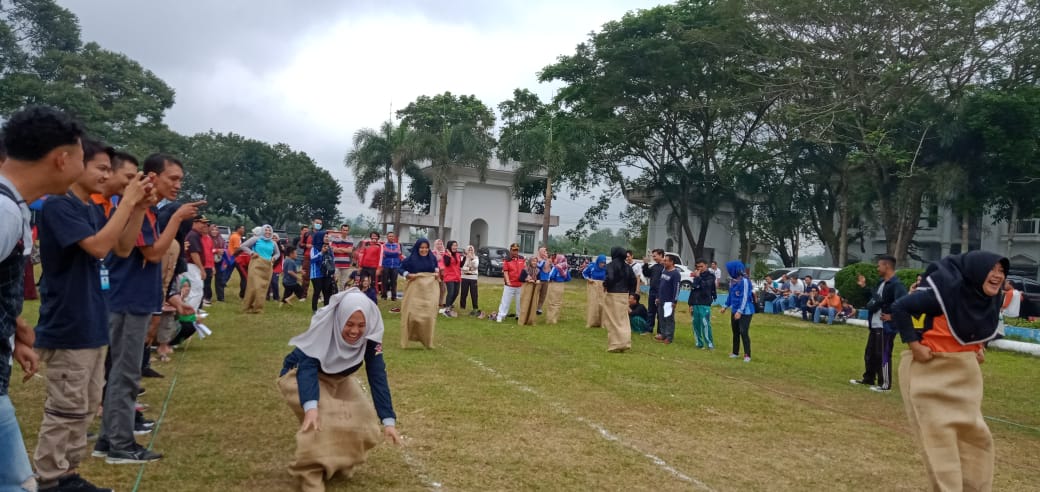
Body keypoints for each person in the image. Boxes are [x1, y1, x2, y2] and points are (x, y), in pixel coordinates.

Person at [33, 137, 152, 490]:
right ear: (74, 165)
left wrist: (139, 208)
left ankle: (67, 473)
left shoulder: (88, 208)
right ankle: (50, 478)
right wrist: (126, 201)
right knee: (65, 409)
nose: (107, 176)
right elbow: (99, 248)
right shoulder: (58, 206)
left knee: (84, 407)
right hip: (68, 323)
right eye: (101, 168)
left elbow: (123, 246)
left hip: (91, 321)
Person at [0, 106, 87, 492]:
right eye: (82, 158)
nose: (83, 169)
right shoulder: (3, 211)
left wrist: (16, 332)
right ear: (62, 158)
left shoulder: (14, 207)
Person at [890, 251, 1007, 491]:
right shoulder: (943, 295)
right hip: (932, 374)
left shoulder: (988, 299)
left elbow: (977, 326)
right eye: (992, 269)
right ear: (976, 271)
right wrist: (914, 344)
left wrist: (978, 346)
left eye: (1002, 271)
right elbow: (900, 307)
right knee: (939, 444)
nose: (997, 276)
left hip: (965, 378)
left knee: (977, 439)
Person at [278, 289, 401, 491]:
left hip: (338, 377)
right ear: (340, 319)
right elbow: (307, 369)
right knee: (323, 419)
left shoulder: (371, 338)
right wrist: (311, 407)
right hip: (299, 373)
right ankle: (309, 475)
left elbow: (377, 376)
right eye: (349, 324)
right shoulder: (324, 328)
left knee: (364, 418)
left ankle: (339, 460)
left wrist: (388, 421)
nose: (355, 331)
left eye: (361, 325)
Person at [851, 255, 907, 392]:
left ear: (886, 266)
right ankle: (868, 378)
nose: (877, 268)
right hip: (875, 323)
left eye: (879, 265)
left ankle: (885, 384)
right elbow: (874, 298)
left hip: (886, 327)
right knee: (870, 353)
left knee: (883, 354)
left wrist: (892, 317)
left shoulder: (896, 285)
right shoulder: (881, 282)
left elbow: (904, 304)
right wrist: (864, 287)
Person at [399, 239, 440, 348]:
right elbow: (400, 268)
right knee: (412, 315)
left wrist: (436, 273)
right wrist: (407, 274)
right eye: (422, 247)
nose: (424, 250)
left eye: (426, 247)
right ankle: (408, 338)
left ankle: (428, 341)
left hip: (429, 292)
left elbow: (436, 268)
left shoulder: (432, 258)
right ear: (417, 248)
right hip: (415, 291)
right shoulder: (411, 260)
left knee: (429, 316)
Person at [240, 224, 281, 314]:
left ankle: (258, 308)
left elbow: (278, 253)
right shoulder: (256, 239)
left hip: (267, 266)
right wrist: (251, 253)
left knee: (262, 288)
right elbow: (243, 246)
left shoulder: (273, 243)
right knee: (254, 287)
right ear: (262, 231)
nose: (268, 232)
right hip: (256, 264)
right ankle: (247, 306)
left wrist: (274, 258)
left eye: (269, 231)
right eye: (266, 230)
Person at [720, 261, 754, 362]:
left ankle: (747, 355)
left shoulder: (744, 281)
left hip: (745, 310)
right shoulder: (732, 281)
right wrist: (725, 306)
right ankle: (735, 352)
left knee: (743, 331)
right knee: (735, 332)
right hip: (734, 309)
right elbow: (731, 295)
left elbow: (744, 297)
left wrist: (740, 311)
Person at [604, 247, 636, 352]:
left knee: (613, 321)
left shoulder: (610, 265)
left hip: (613, 294)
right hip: (624, 295)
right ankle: (625, 343)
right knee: (623, 320)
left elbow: (610, 278)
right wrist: (631, 293)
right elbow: (633, 281)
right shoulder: (628, 267)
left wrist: (605, 285)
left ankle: (615, 344)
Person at [688, 259, 716, 349]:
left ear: (706, 266)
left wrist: (699, 277)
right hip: (695, 303)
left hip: (704, 303)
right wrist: (690, 304)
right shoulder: (696, 277)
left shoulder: (710, 276)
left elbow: (706, 287)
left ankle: (710, 344)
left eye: (701, 266)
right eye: (698, 266)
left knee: (705, 324)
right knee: (695, 324)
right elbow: (693, 290)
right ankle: (699, 344)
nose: (699, 268)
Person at [654, 254, 681, 345]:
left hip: (669, 301)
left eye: (666, 261)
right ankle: (663, 334)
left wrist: (674, 301)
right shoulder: (664, 271)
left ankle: (669, 337)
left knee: (669, 319)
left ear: (671, 262)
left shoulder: (675, 274)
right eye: (664, 260)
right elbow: (660, 285)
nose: (664, 262)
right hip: (661, 299)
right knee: (661, 318)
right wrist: (658, 297)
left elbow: (676, 288)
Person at [496, 244, 525, 323]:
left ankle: (519, 316)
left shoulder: (522, 258)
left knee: (520, 301)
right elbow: (506, 271)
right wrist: (508, 281)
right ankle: (501, 315)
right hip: (510, 285)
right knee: (505, 301)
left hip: (520, 284)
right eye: (514, 250)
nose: (515, 252)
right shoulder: (507, 259)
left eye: (517, 250)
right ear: (511, 250)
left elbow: (524, 270)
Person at [309, 230, 335, 313]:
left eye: (328, 237)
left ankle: (326, 309)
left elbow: (332, 260)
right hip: (316, 274)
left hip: (326, 273)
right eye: (325, 236)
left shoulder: (329, 248)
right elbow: (312, 260)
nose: (327, 238)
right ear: (320, 237)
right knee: (317, 291)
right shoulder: (314, 248)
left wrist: (333, 273)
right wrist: (321, 252)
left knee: (326, 291)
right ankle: (314, 309)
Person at [641, 249, 665, 333]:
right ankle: (648, 329)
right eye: (653, 256)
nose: (653, 258)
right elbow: (647, 273)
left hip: (661, 294)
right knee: (651, 311)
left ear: (661, 255)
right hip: (652, 292)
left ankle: (660, 332)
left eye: (655, 256)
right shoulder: (655, 267)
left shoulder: (665, 267)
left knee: (660, 313)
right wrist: (645, 264)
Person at [543, 253, 570, 324]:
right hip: (561, 286)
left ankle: (550, 319)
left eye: (555, 258)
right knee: (558, 302)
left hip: (554, 285)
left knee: (552, 302)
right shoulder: (565, 267)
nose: (554, 260)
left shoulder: (556, 267)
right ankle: (555, 318)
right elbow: (568, 278)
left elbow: (551, 276)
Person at [582, 254, 608, 328]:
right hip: (593, 286)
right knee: (593, 303)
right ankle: (592, 322)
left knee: (602, 304)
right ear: (598, 261)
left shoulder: (606, 268)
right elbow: (584, 273)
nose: (602, 264)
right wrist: (588, 279)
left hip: (603, 287)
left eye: (604, 263)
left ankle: (602, 323)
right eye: (601, 263)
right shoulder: (592, 266)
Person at [441, 240, 463, 317]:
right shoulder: (446, 254)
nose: (455, 247)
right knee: (451, 292)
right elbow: (446, 264)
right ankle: (447, 309)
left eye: (456, 245)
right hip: (449, 276)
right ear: (449, 246)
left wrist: (466, 257)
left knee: (456, 293)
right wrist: (450, 256)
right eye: (453, 245)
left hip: (457, 276)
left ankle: (449, 306)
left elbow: (460, 265)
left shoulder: (458, 254)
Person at [331, 224, 355, 292]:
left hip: (346, 264)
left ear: (348, 231)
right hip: (336, 264)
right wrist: (345, 249)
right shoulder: (335, 239)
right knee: (333, 280)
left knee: (343, 282)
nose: (345, 231)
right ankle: (332, 294)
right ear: (341, 230)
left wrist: (339, 248)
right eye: (344, 230)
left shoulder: (350, 240)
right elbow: (334, 250)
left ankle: (341, 295)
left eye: (346, 230)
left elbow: (350, 251)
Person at [460, 245, 481, 316]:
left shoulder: (476, 258)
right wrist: (469, 268)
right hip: (464, 277)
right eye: (469, 250)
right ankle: (462, 307)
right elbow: (462, 267)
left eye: (471, 250)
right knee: (464, 293)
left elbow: (475, 266)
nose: (470, 251)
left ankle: (475, 307)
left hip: (473, 278)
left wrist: (471, 259)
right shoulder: (463, 258)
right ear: (466, 251)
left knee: (474, 293)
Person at [380, 231, 402, 301]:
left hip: (395, 265)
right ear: (387, 237)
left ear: (394, 237)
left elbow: (399, 254)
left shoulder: (398, 245)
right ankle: (384, 296)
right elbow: (385, 254)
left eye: (392, 236)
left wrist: (390, 254)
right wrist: (394, 254)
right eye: (389, 236)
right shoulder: (384, 245)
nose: (391, 237)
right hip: (386, 265)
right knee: (385, 281)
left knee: (394, 281)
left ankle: (394, 296)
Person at [209, 224, 227, 302]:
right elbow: (207, 250)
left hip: (220, 261)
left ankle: (221, 297)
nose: (214, 231)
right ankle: (207, 297)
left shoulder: (221, 239)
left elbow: (225, 249)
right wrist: (216, 250)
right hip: (209, 261)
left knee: (220, 279)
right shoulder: (207, 238)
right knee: (208, 279)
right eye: (213, 230)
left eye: (216, 230)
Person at [229, 225, 248, 298]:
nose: (243, 230)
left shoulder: (237, 236)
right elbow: (237, 249)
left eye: (244, 228)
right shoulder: (236, 237)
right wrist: (245, 249)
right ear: (238, 229)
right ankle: (242, 295)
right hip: (235, 258)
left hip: (234, 258)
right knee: (244, 277)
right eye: (242, 228)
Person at [535, 246, 551, 315]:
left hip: (546, 279)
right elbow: (539, 266)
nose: (546, 253)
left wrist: (548, 261)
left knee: (543, 295)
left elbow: (549, 269)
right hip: (539, 279)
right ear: (540, 252)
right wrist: (544, 260)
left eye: (546, 251)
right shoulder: (536, 259)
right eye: (544, 251)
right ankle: (533, 306)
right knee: (535, 294)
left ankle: (539, 308)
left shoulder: (547, 259)